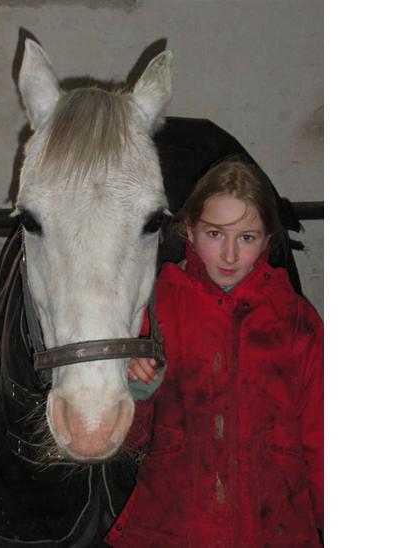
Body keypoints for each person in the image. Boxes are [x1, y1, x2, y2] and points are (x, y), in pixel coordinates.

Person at [105, 159, 323, 547]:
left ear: (268, 240)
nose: (229, 255)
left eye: (247, 238)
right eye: (215, 234)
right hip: (173, 528)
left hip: (273, 529)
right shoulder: (155, 308)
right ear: (189, 229)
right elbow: (124, 442)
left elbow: (322, 441)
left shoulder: (296, 321)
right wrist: (135, 391)